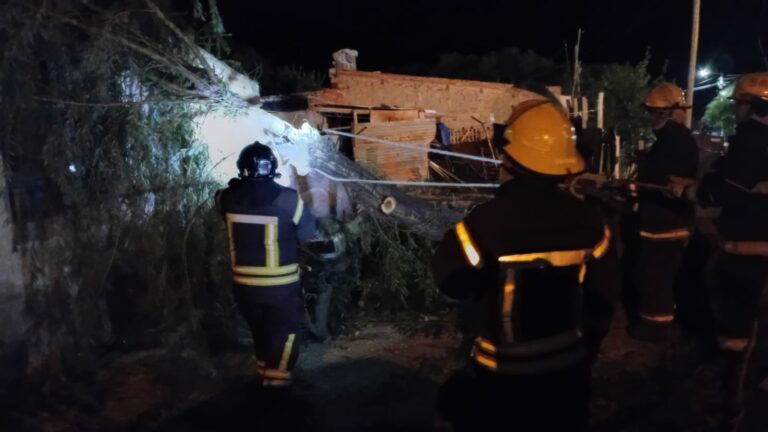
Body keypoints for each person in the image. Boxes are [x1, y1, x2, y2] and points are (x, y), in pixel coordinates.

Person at [432, 100, 611, 431]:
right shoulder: (590, 220)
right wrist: (590, 343)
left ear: (510, 160)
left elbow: (449, 279)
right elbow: (604, 294)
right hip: (569, 374)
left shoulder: (485, 222)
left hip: (503, 378)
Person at [669, 72, 768, 431]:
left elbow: (728, 191)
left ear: (753, 107)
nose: (736, 111)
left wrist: (689, 192)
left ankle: (731, 408)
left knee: (736, 335)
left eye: (739, 104)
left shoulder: (752, 137)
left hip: (748, 255)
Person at [215, 141, 315, 388]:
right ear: (272, 168)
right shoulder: (288, 200)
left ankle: (264, 377)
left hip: (244, 288)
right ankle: (276, 390)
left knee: (260, 331)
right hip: (280, 288)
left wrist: (239, 186)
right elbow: (308, 235)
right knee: (285, 333)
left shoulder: (226, 198)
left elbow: (222, 198)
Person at [630, 82, 699, 341]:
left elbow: (666, 179)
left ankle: (656, 331)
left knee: (655, 277)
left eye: (656, 112)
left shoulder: (677, 141)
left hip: (668, 222)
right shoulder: (670, 140)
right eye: (651, 112)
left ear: (671, 112)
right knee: (651, 275)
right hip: (661, 220)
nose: (652, 118)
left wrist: (643, 174)